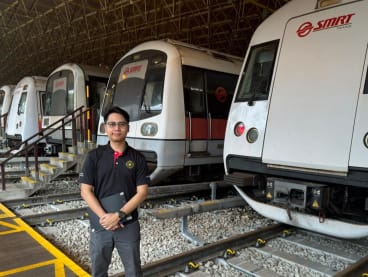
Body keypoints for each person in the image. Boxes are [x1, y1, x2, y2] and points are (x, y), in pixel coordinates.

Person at [80, 106, 149, 277]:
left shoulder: (138, 158)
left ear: (128, 127)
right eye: (112, 124)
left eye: (121, 124)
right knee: (99, 269)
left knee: (133, 270)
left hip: (128, 224)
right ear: (105, 128)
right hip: (100, 223)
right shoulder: (94, 156)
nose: (116, 128)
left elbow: (142, 192)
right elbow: (85, 191)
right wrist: (105, 218)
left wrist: (118, 215)